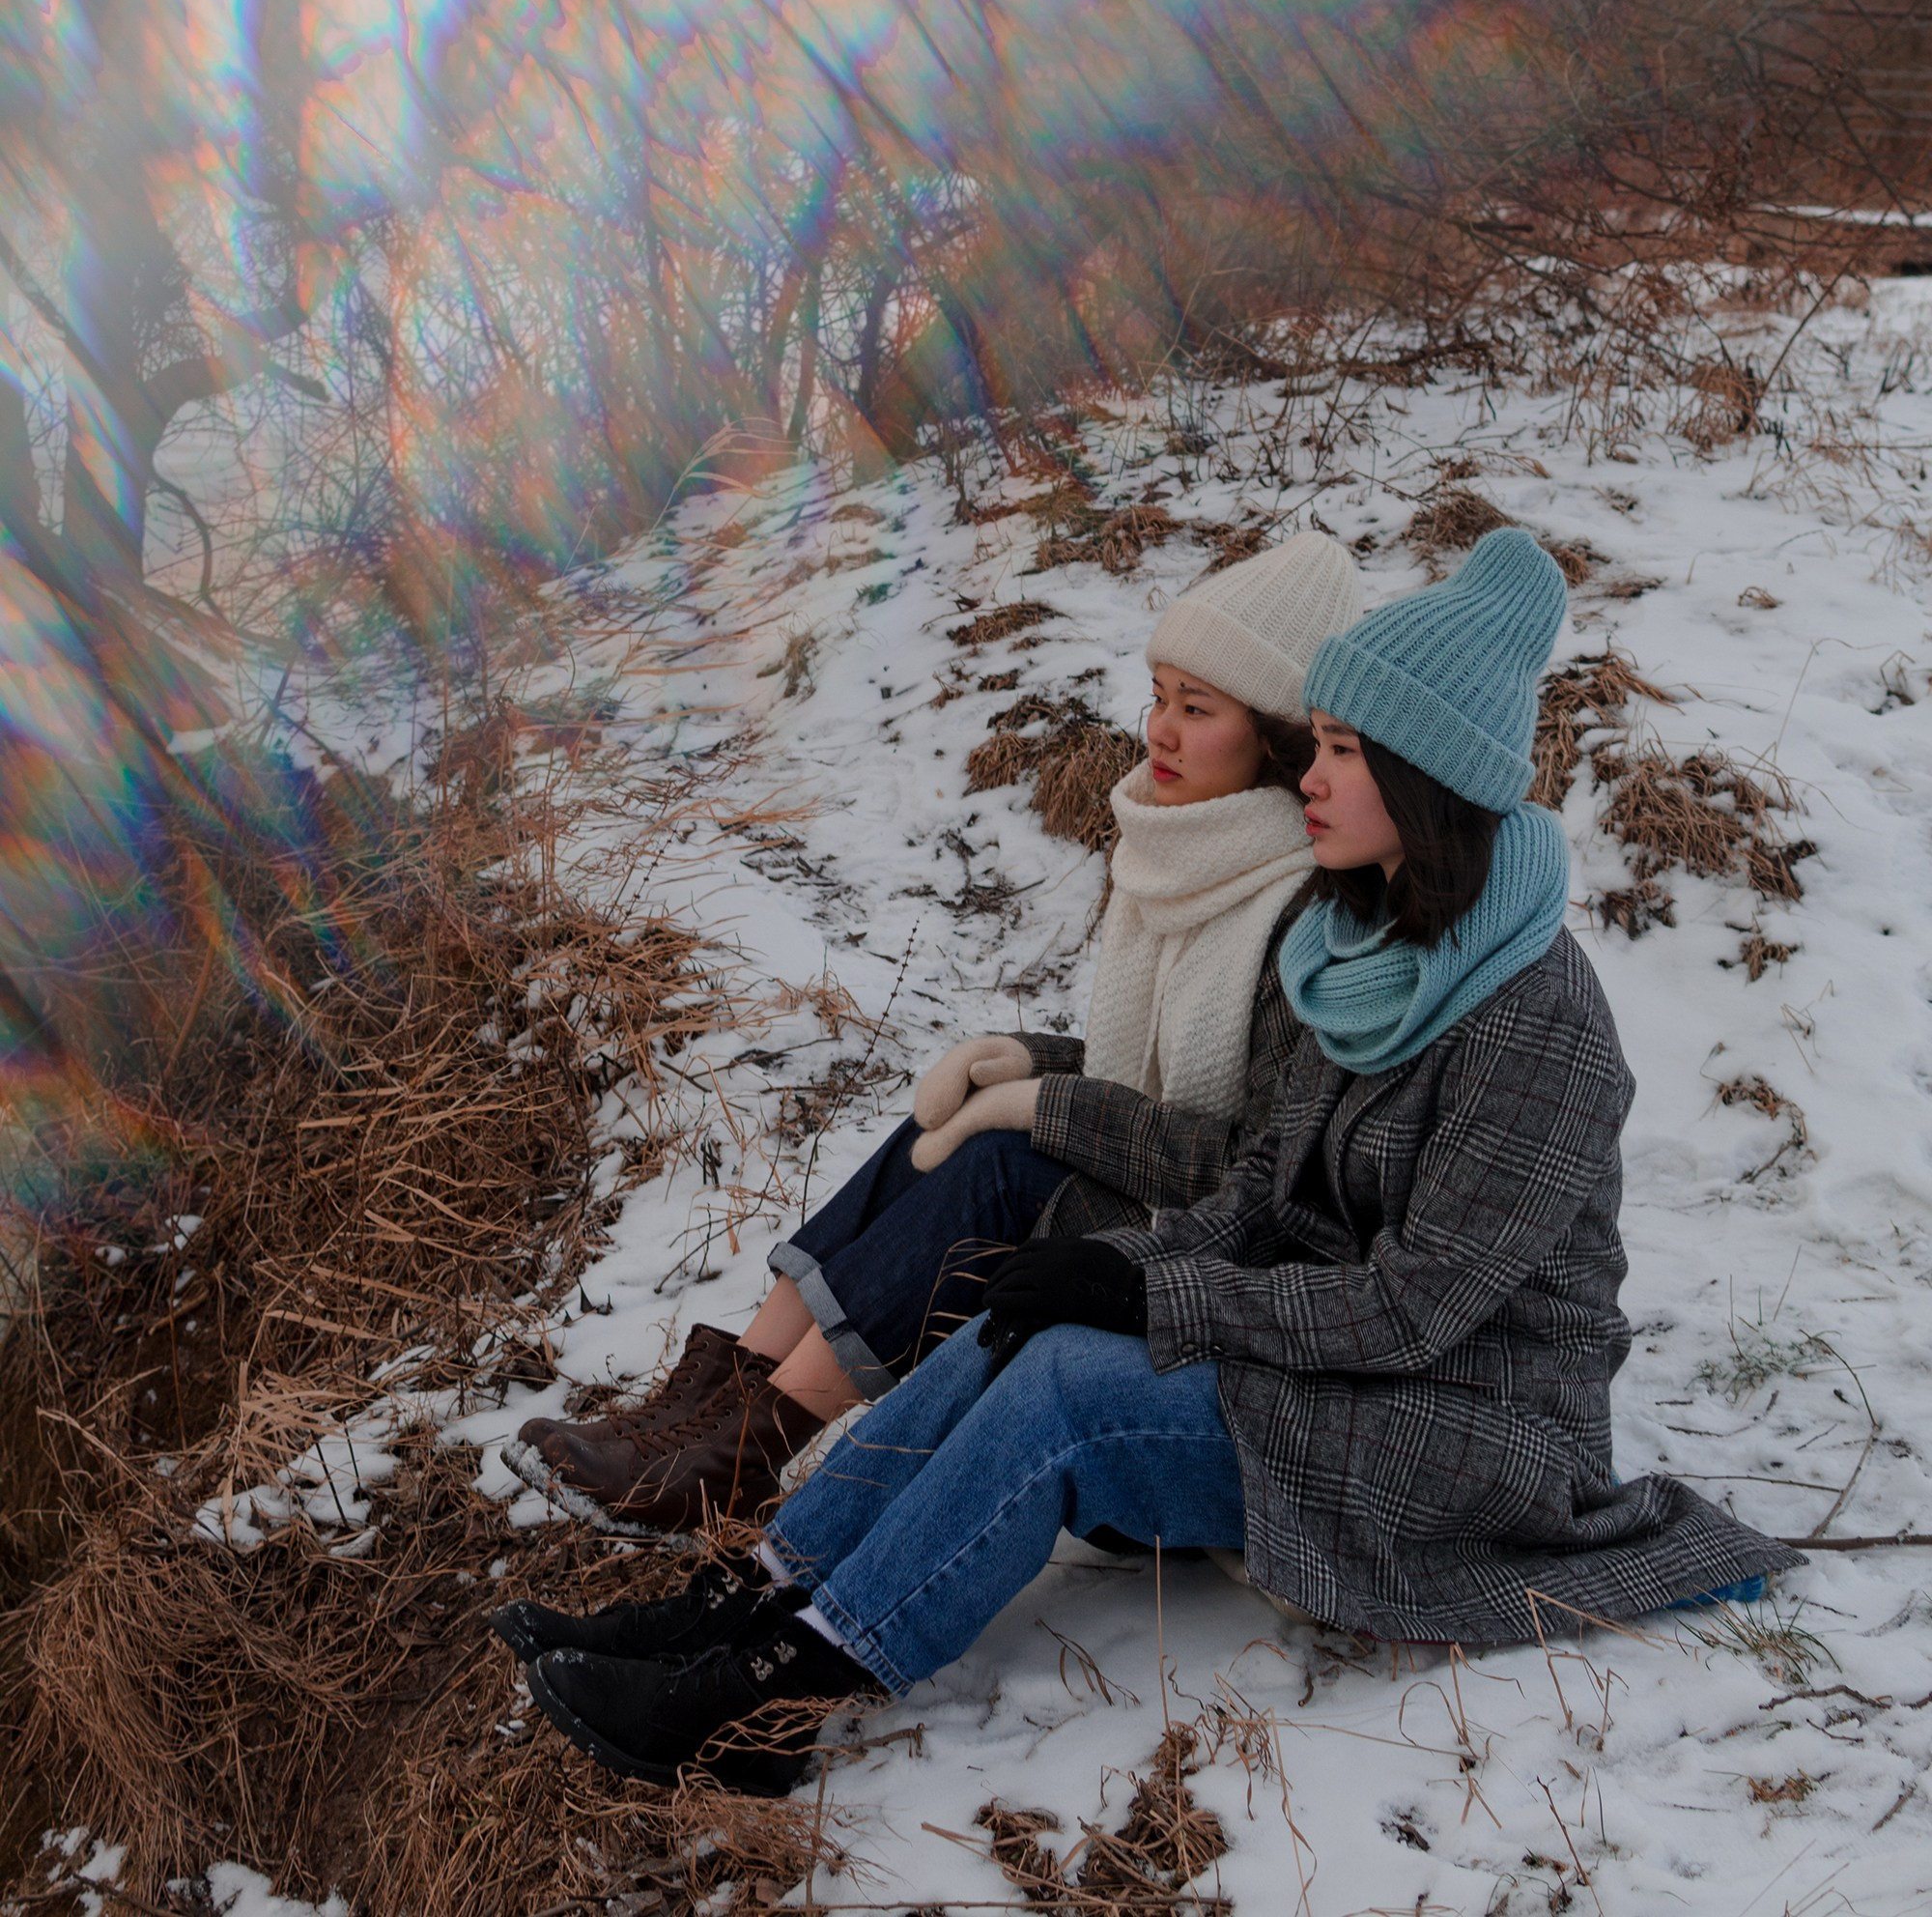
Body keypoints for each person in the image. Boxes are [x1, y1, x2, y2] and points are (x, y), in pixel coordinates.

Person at [499, 526, 1795, 1789]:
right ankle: (749, 1599)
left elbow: (1415, 1310)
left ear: (1429, 777)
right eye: (1317, 743)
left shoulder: (1535, 1022)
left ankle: (784, 1693)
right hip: (1334, 1368)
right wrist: (1118, 1264)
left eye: (1344, 751)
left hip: (1466, 1429)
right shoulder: (1370, 950)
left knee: (1070, 1384)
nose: (1310, 777)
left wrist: (1152, 1295)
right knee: (1020, 1325)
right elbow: (1263, 1192)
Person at [504, 532, 1362, 1536]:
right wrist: (1023, 1064)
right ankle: (702, 1408)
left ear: (1274, 737)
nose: (1158, 732)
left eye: (1197, 709)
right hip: (1158, 1195)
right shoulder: (1180, 855)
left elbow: (1250, 1166)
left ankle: (748, 1450)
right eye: (1159, 696)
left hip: (1216, 1261)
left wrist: (1043, 1104)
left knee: (997, 1162)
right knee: (944, 1125)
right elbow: (1147, 1075)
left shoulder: (1305, 913)